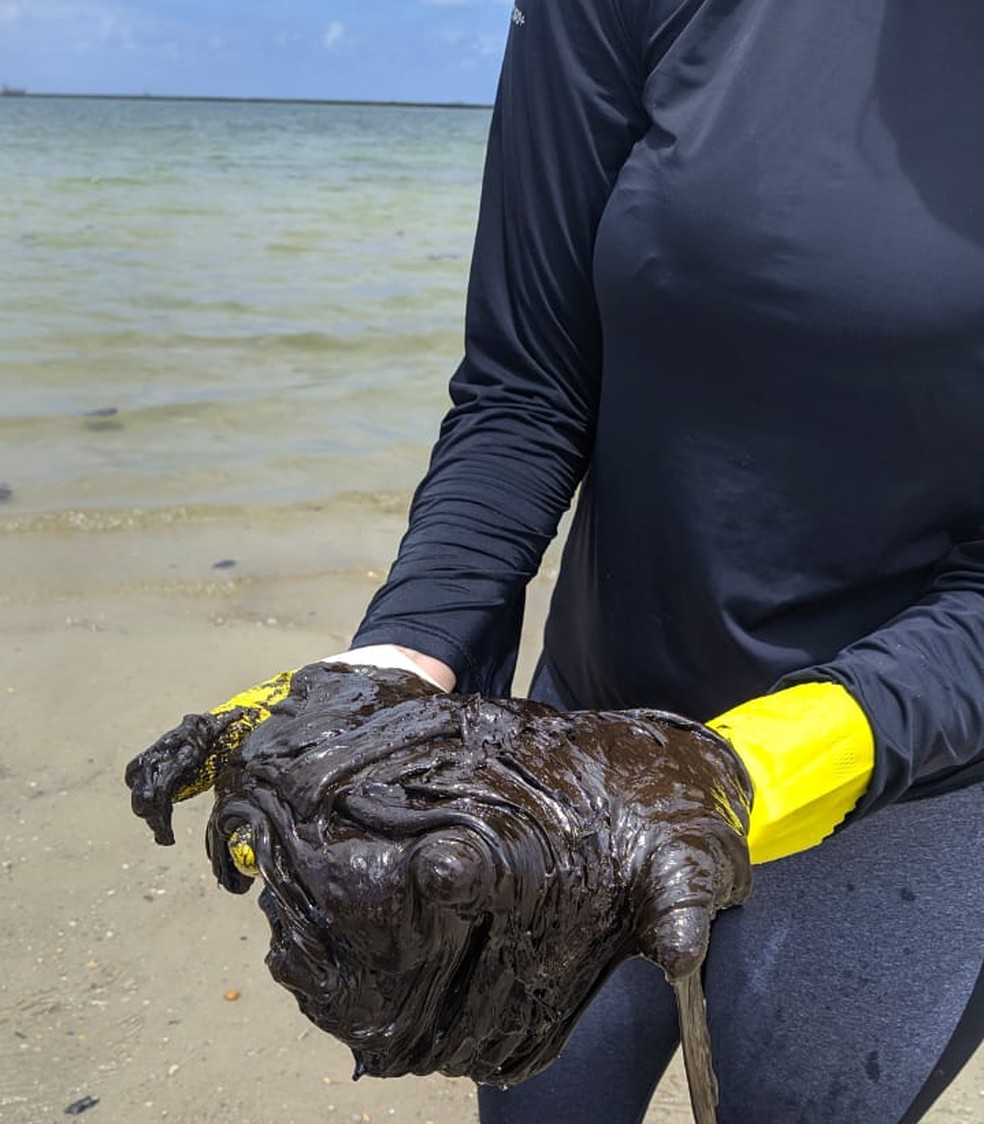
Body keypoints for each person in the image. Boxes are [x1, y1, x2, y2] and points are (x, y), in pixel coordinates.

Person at [133, 1, 984, 1120]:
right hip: (579, 745)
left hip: (912, 766)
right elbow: (526, 390)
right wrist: (401, 660)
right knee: (538, 1092)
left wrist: (758, 768)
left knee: (795, 1096)